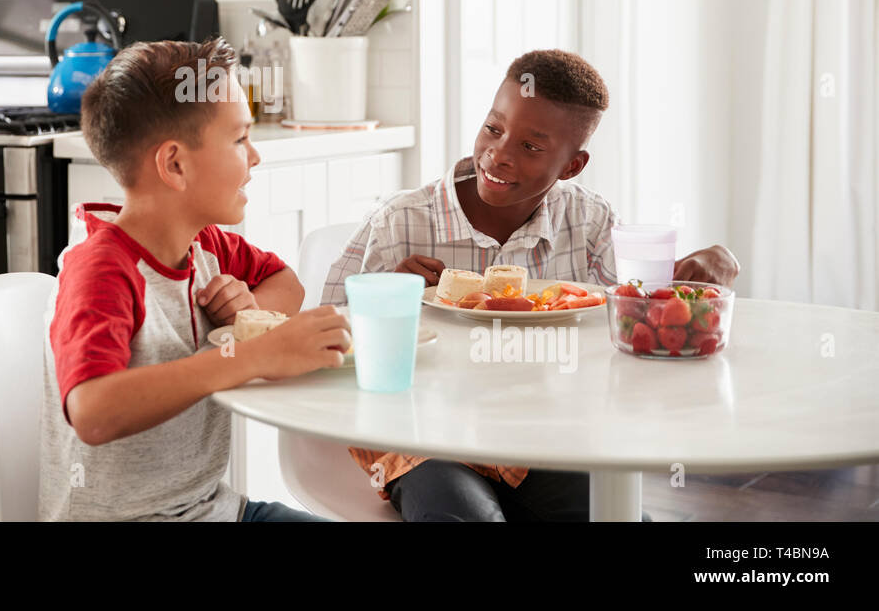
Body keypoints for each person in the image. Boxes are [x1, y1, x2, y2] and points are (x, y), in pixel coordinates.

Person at [322, 49, 739, 521]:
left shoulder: (588, 220)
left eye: (531, 147)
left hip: (542, 438)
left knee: (620, 517)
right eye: (493, 129)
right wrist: (384, 300)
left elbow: (640, 318)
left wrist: (706, 265)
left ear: (572, 166)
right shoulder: (401, 222)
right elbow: (323, 346)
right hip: (423, 439)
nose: (498, 154)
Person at [40, 37, 351, 521]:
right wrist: (250, 354)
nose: (255, 157)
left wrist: (248, 311)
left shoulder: (205, 244)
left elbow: (284, 281)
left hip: (212, 509)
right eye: (239, 139)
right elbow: (92, 411)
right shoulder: (102, 268)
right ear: (175, 164)